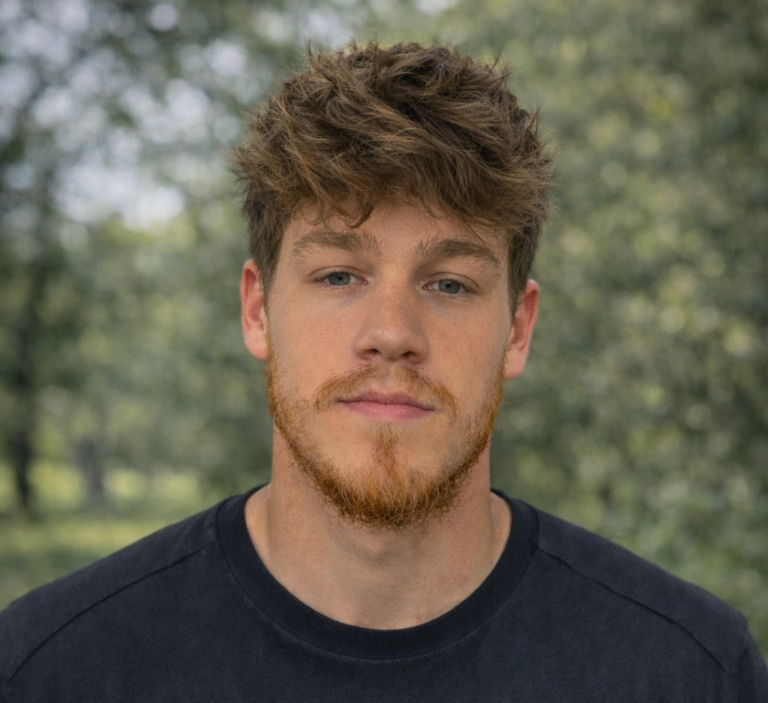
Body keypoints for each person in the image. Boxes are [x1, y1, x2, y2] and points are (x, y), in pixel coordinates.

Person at [0, 41, 766, 702]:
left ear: (518, 329)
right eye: (339, 275)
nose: (392, 334)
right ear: (258, 310)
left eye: (449, 283)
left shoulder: (686, 669)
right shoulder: (51, 669)